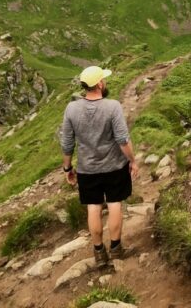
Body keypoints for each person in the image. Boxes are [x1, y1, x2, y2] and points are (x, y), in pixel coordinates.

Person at [60, 66, 139, 267]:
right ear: (100, 84)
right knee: (114, 205)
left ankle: (98, 253)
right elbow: (122, 139)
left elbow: (67, 143)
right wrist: (132, 160)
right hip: (114, 166)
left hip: (87, 169)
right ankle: (116, 249)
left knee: (93, 208)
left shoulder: (71, 109)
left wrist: (68, 169)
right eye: (104, 79)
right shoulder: (112, 106)